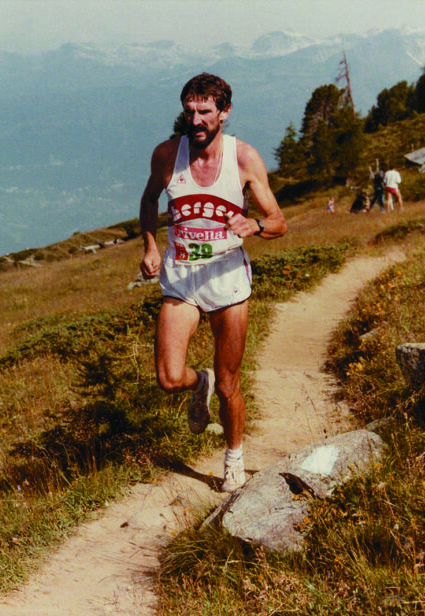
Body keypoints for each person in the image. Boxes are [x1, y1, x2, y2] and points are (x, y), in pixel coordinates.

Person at [139, 72, 286, 492]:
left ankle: (234, 459)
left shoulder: (244, 159)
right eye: (190, 111)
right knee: (169, 377)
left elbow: (279, 222)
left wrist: (254, 225)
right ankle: (195, 381)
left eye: (205, 111)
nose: (196, 119)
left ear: (224, 112)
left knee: (228, 384)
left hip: (227, 281)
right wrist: (151, 246)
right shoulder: (168, 155)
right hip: (182, 277)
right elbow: (149, 199)